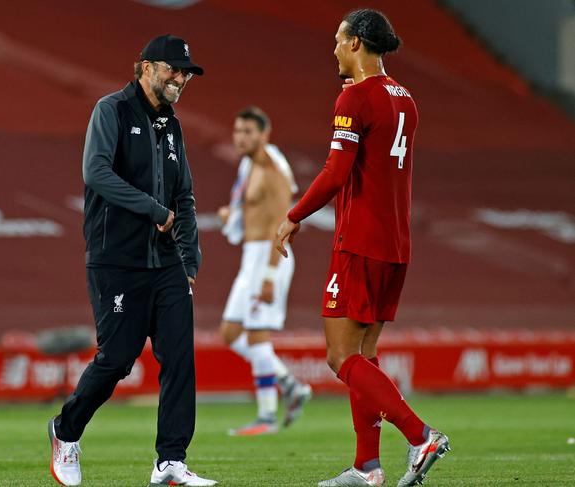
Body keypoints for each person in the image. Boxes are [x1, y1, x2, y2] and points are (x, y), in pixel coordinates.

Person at [276, 10, 450, 487]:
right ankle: (367, 466)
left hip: (360, 240)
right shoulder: (406, 98)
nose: (332, 49)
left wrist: (293, 217)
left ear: (355, 43)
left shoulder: (354, 96)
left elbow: (335, 173)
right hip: (396, 243)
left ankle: (419, 436)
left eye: (337, 40)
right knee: (365, 354)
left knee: (339, 356)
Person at [47, 34, 217, 487]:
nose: (181, 77)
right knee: (118, 358)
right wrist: (153, 210)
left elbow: (184, 194)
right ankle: (65, 432)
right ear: (144, 67)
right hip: (115, 260)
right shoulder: (112, 110)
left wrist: (191, 259)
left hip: (166, 266)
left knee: (180, 358)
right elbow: (96, 172)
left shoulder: (173, 125)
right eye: (173, 69)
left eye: (187, 72)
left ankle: (170, 462)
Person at [218, 107, 312, 436]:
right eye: (237, 131)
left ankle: (267, 417)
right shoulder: (249, 165)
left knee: (257, 335)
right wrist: (234, 212)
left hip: (269, 258)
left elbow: (280, 224)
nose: (240, 137)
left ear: (264, 135)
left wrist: (270, 276)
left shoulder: (273, 171)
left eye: (248, 132)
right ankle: (290, 384)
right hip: (250, 256)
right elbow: (252, 208)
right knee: (230, 332)